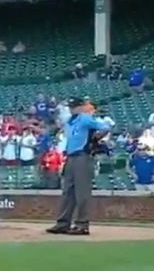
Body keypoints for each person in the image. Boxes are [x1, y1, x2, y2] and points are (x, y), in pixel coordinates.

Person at [47, 97, 111, 236]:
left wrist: (95, 139)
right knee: (67, 191)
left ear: (81, 107)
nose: (73, 109)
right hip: (70, 156)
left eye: (75, 106)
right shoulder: (70, 121)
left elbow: (105, 127)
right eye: (71, 106)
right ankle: (63, 223)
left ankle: (82, 224)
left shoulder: (85, 118)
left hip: (82, 156)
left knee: (82, 192)